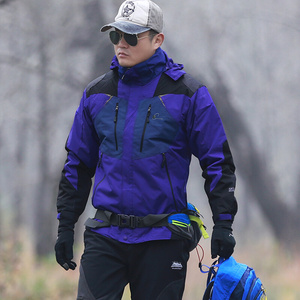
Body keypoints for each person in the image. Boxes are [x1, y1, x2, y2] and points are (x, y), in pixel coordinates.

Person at [54, 0, 238, 299]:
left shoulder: (189, 95)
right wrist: (65, 226)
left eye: (131, 36)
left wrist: (224, 224)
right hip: (105, 236)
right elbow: (77, 164)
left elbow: (218, 162)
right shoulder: (95, 94)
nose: (121, 44)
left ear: (157, 39)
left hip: (163, 239)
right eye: (115, 35)